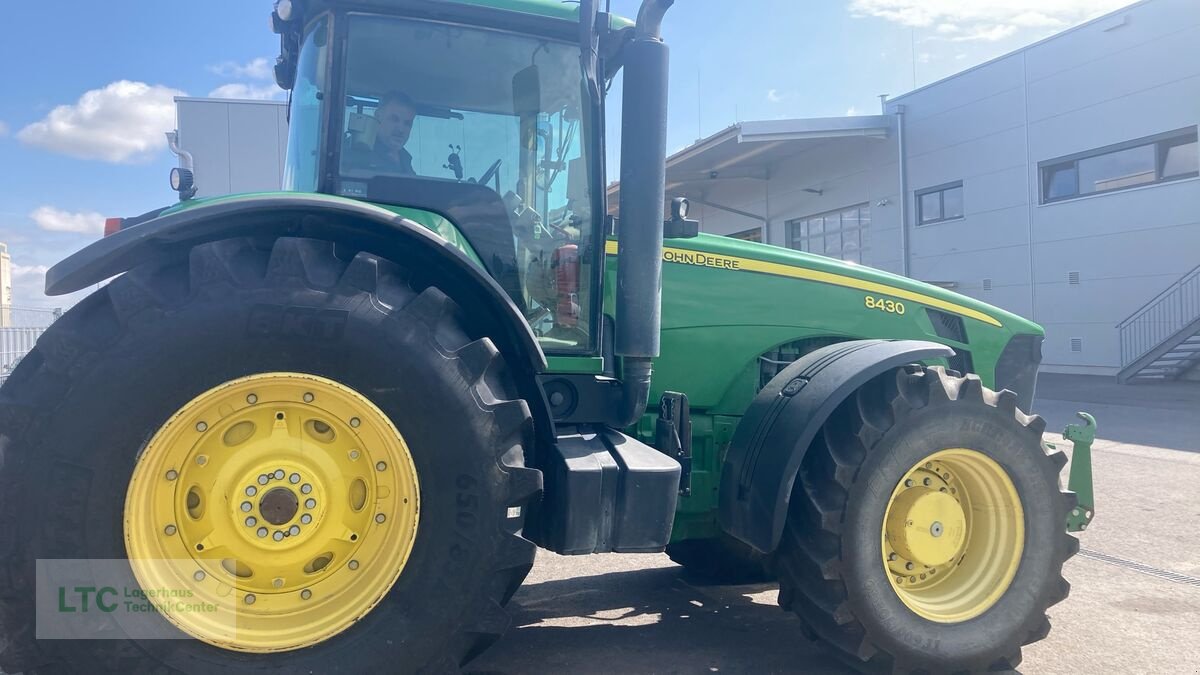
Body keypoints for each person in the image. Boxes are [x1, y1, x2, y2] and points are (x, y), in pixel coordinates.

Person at [348, 91, 417, 175]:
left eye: (407, 123)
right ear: (378, 116)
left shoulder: (405, 159)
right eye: (394, 119)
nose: (401, 129)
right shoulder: (353, 150)